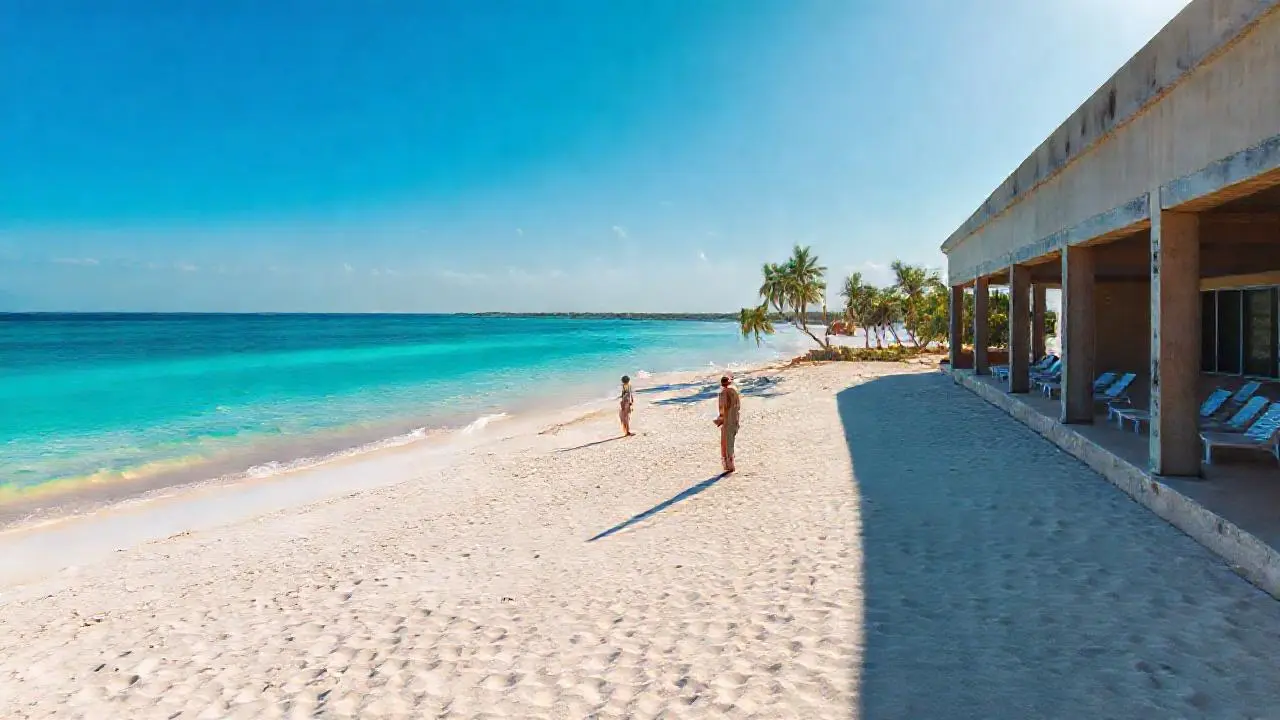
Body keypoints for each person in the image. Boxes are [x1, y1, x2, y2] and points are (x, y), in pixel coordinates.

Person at [714, 375, 740, 474]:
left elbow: (722, 409)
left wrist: (720, 419)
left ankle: (728, 465)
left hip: (727, 420)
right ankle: (730, 464)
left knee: (726, 442)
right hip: (734, 418)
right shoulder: (734, 390)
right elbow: (737, 406)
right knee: (730, 441)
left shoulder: (723, 393)